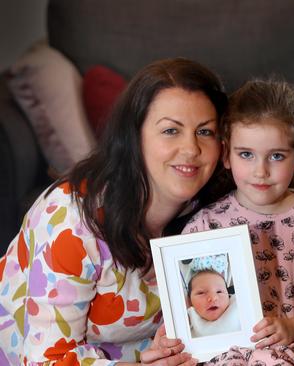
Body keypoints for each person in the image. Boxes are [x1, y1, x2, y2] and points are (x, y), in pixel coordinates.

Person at [0, 57, 232, 365]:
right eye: (171, 131)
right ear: (134, 138)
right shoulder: (70, 220)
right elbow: (47, 360)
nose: (191, 148)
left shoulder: (214, 214)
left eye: (205, 132)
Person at [182, 78, 294, 365]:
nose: (261, 171)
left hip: (292, 347)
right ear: (226, 154)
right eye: (246, 155)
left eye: (276, 156)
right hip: (223, 352)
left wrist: (292, 328)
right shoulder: (204, 225)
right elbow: (184, 312)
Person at [186, 255, 241, 337]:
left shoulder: (237, 303)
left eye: (219, 292)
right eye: (201, 293)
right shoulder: (190, 317)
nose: (213, 298)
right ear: (189, 300)